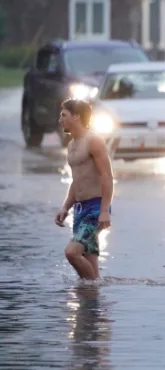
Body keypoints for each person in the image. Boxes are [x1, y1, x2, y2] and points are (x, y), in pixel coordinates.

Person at [55, 99, 114, 280]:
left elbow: (107, 176)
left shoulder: (93, 141)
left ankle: (92, 287)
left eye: (64, 115)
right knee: (91, 269)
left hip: (95, 209)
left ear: (77, 116)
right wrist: (66, 207)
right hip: (80, 209)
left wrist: (104, 210)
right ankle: (91, 302)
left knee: (72, 253)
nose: (60, 120)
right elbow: (77, 181)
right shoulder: (72, 145)